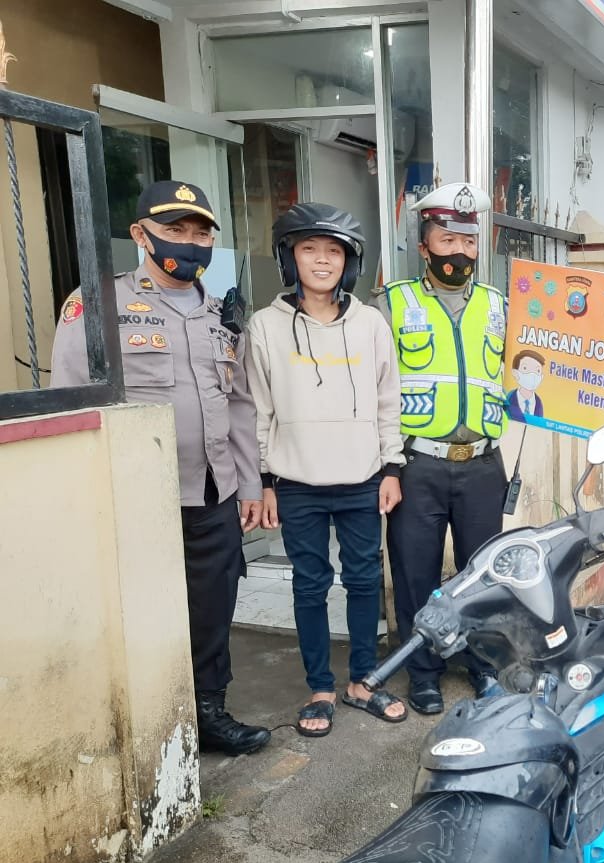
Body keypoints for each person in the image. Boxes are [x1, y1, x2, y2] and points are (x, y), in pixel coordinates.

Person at [50, 181, 269, 755]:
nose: (190, 243)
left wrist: (249, 483)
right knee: (138, 613)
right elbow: (72, 401)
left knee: (213, 606)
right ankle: (146, 725)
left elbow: (239, 405)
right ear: (140, 235)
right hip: (134, 495)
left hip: (213, 492)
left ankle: (207, 712)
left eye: (201, 234)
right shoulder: (98, 303)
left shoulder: (223, 314)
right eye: (175, 231)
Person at [246, 203, 407, 738]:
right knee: (310, 584)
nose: (321, 260)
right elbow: (258, 408)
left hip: (362, 478)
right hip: (297, 485)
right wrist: (265, 480)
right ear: (289, 258)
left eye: (334, 251)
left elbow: (390, 400)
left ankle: (363, 678)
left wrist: (391, 466)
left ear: (349, 263)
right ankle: (320, 687)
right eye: (309, 249)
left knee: (363, 580)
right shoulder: (265, 327)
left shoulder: (370, 324)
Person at [378, 181, 509, 714]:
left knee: (483, 573)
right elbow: (376, 391)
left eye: (469, 241)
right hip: (418, 464)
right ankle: (425, 670)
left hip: (481, 464)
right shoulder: (391, 304)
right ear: (424, 243)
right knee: (416, 573)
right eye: (447, 238)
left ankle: (482, 664)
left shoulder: (498, 305)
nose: (460, 250)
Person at [507, 348, 545, 422]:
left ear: (541, 377)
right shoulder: (509, 398)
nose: (532, 374)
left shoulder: (539, 403)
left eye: (538, 371)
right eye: (525, 368)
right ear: (515, 373)